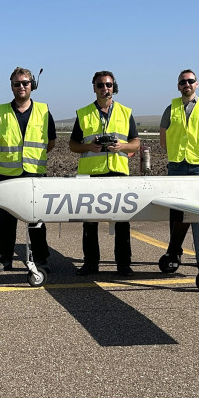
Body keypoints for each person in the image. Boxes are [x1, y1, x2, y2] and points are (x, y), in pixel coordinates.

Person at [69, 70, 140, 277]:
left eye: (108, 85)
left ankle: (124, 264)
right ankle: (91, 263)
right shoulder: (83, 113)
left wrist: (122, 146)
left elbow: (136, 142)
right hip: (92, 175)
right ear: (94, 88)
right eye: (100, 85)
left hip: (118, 173)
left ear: (113, 87)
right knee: (90, 222)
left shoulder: (126, 112)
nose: (105, 89)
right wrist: (89, 147)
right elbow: (73, 145)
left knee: (122, 221)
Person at [0, 67, 56, 273]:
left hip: (34, 173)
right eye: (17, 84)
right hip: (6, 174)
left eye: (25, 83)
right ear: (11, 87)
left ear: (32, 85)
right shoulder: (0, 112)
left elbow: (50, 142)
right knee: (6, 220)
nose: (21, 87)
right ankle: (4, 259)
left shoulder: (43, 111)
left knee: (36, 219)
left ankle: (41, 259)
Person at [159, 68, 199, 271]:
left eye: (190, 81)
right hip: (176, 167)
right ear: (178, 86)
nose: (187, 84)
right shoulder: (171, 108)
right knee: (176, 214)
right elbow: (163, 138)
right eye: (183, 82)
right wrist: (176, 155)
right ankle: (174, 252)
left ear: (197, 84)